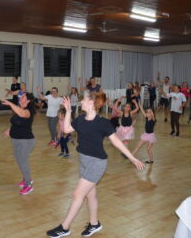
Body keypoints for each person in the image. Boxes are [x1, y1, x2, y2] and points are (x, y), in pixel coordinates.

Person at [46, 93, 144, 238]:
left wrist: (132, 158)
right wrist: (68, 111)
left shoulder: (103, 123)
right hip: (84, 161)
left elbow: (116, 141)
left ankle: (64, 227)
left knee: (78, 194)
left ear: (91, 103)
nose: (81, 101)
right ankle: (94, 224)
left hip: (97, 163)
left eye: (84, 99)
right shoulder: (80, 119)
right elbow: (66, 130)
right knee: (90, 195)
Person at [2, 93, 36, 195]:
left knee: (23, 162)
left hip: (25, 141)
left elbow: (22, 114)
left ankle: (28, 184)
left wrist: (10, 104)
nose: (20, 98)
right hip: (16, 139)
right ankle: (26, 178)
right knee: (19, 160)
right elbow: (16, 122)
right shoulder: (19, 109)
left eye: (23, 97)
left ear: (28, 101)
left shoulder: (28, 111)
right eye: (20, 97)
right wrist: (9, 130)